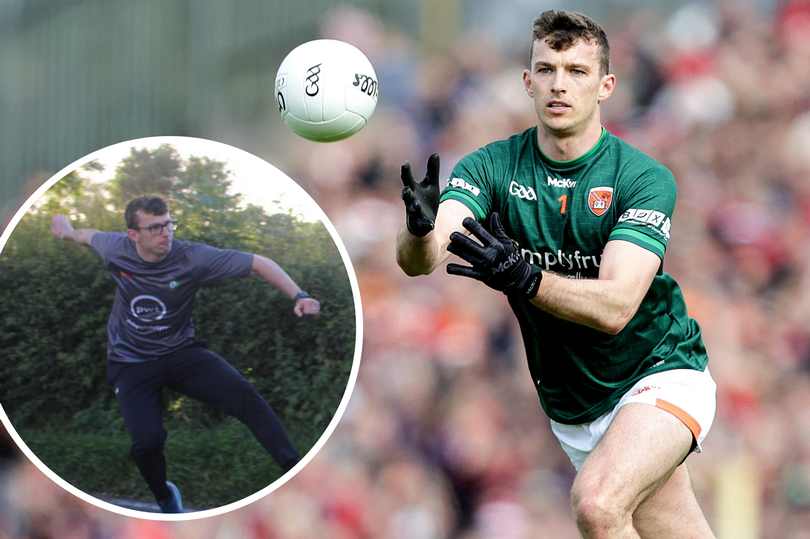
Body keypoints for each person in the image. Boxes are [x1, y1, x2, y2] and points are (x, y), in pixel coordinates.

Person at [396, 10, 716, 539]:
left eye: (576, 71)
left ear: (606, 85)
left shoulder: (641, 178)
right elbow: (422, 258)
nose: (559, 84)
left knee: (597, 505)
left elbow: (616, 307)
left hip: (659, 369)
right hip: (574, 406)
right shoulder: (492, 167)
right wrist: (418, 227)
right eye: (546, 70)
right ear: (527, 81)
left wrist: (528, 278)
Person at [51, 194, 320, 513]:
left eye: (168, 224)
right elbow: (88, 236)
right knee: (146, 442)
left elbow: (259, 264)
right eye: (155, 228)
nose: (166, 233)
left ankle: (297, 473)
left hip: (181, 354)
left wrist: (298, 295)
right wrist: (68, 231)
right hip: (130, 363)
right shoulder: (114, 248)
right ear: (133, 235)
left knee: (244, 395)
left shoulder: (193, 257)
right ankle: (165, 497)